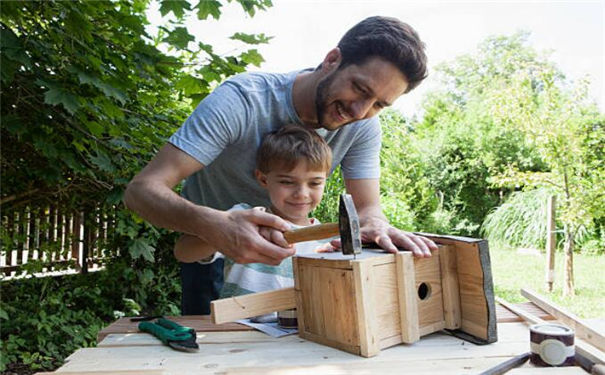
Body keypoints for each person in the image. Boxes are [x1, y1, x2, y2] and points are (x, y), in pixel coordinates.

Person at [124, 15, 438, 315]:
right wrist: (215, 226)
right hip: (210, 250)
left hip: (290, 262)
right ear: (332, 60)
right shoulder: (242, 101)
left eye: (380, 104)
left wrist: (376, 225)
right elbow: (142, 191)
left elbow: (368, 209)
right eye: (360, 88)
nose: (359, 110)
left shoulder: (364, 126)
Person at [174, 124, 334, 298]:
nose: (301, 194)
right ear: (263, 179)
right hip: (237, 324)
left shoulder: (328, 242)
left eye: (315, 183)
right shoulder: (244, 219)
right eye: (287, 182)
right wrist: (222, 234)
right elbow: (183, 252)